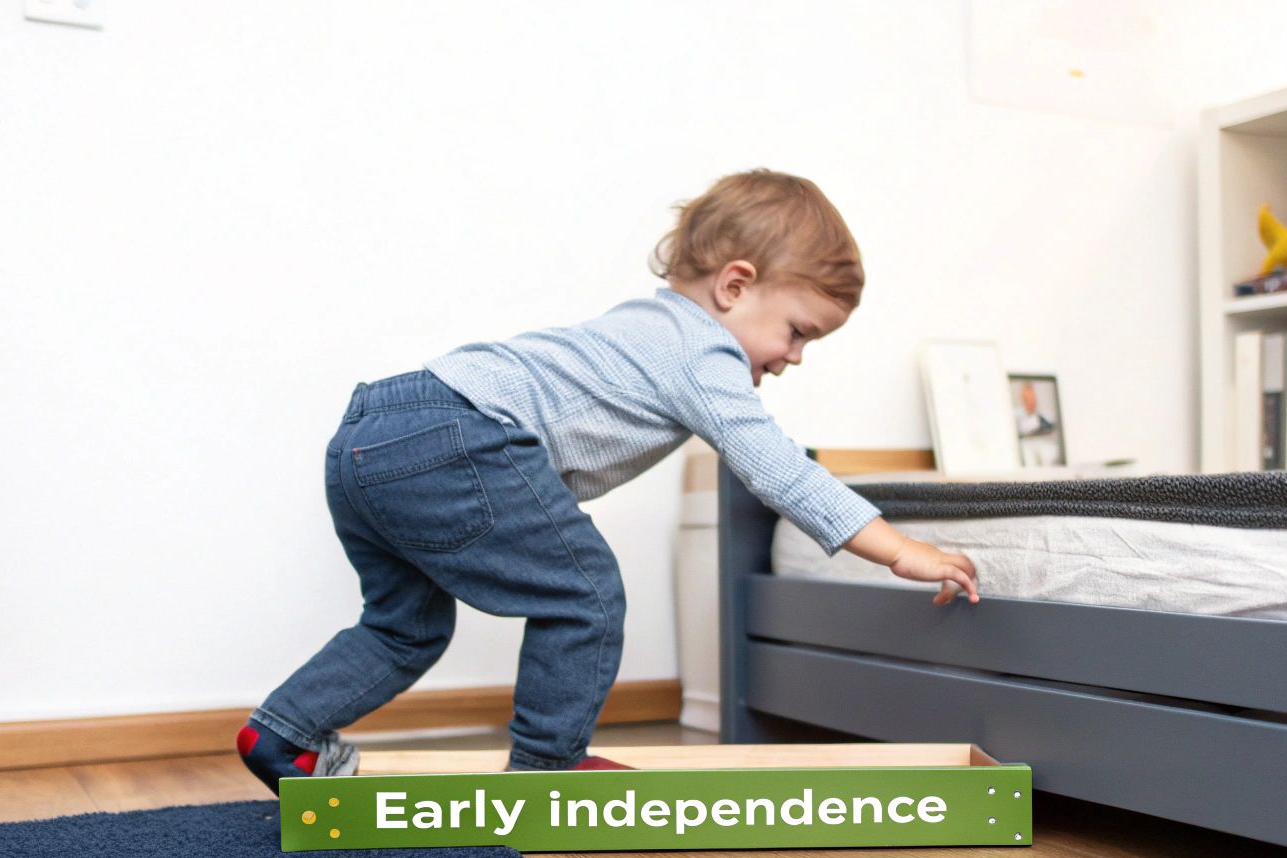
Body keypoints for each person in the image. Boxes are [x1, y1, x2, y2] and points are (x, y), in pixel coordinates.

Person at [236, 169, 980, 793]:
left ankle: (283, 736)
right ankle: (548, 772)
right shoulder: (700, 350)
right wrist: (893, 547)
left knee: (405, 627)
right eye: (798, 331)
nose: (793, 358)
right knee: (585, 595)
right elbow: (777, 467)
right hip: (459, 433)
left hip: (372, 434)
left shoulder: (644, 324)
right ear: (735, 285)